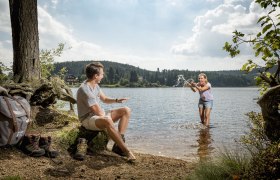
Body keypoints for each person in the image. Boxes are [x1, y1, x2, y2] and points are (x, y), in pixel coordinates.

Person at [76, 62, 136, 161]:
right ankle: (126, 151)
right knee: (107, 120)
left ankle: (117, 145)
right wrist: (107, 116)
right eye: (102, 74)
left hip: (97, 115)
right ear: (96, 76)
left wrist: (116, 100)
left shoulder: (95, 85)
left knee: (126, 110)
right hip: (87, 118)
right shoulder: (85, 90)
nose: (103, 76)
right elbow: (97, 111)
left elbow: (104, 99)